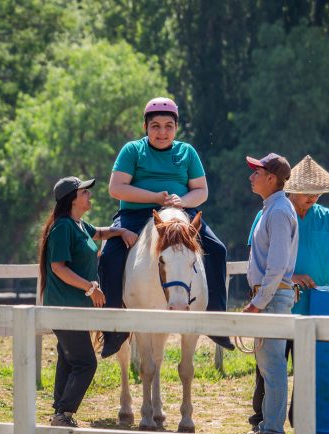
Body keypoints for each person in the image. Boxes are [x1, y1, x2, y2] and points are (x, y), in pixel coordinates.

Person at [100, 96, 233, 357]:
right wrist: (155, 198)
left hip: (180, 214)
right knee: (109, 255)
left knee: (217, 250)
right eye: (156, 126)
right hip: (136, 215)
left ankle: (216, 320)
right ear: (145, 127)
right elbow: (116, 188)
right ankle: (114, 329)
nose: (162, 132)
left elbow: (201, 191)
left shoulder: (187, 152)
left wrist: (182, 201)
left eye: (168, 126)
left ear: (176, 127)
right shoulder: (132, 151)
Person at [247, 155, 329, 430]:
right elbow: (259, 256)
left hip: (312, 306)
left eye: (317, 192)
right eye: (307, 191)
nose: (313, 197)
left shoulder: (328, 218)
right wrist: (291, 277)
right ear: (291, 188)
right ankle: (262, 419)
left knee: (305, 368)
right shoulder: (272, 212)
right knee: (267, 369)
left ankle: (297, 423)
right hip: (283, 297)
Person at [37, 176, 137, 427]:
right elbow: (58, 267)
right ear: (72, 199)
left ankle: (60, 412)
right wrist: (90, 287)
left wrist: (121, 231)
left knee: (67, 358)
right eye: (84, 192)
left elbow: (100, 233)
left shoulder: (78, 225)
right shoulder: (62, 228)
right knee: (85, 363)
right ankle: (64, 412)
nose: (89, 195)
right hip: (65, 307)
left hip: (74, 308)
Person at [243, 153, 298, 434]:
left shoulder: (277, 212)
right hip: (273, 297)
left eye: (257, 172)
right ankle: (269, 425)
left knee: (273, 366)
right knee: (269, 366)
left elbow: (276, 267)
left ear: (271, 178)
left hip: (272, 298)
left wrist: (258, 302)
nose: (252, 177)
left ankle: (273, 429)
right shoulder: (275, 209)